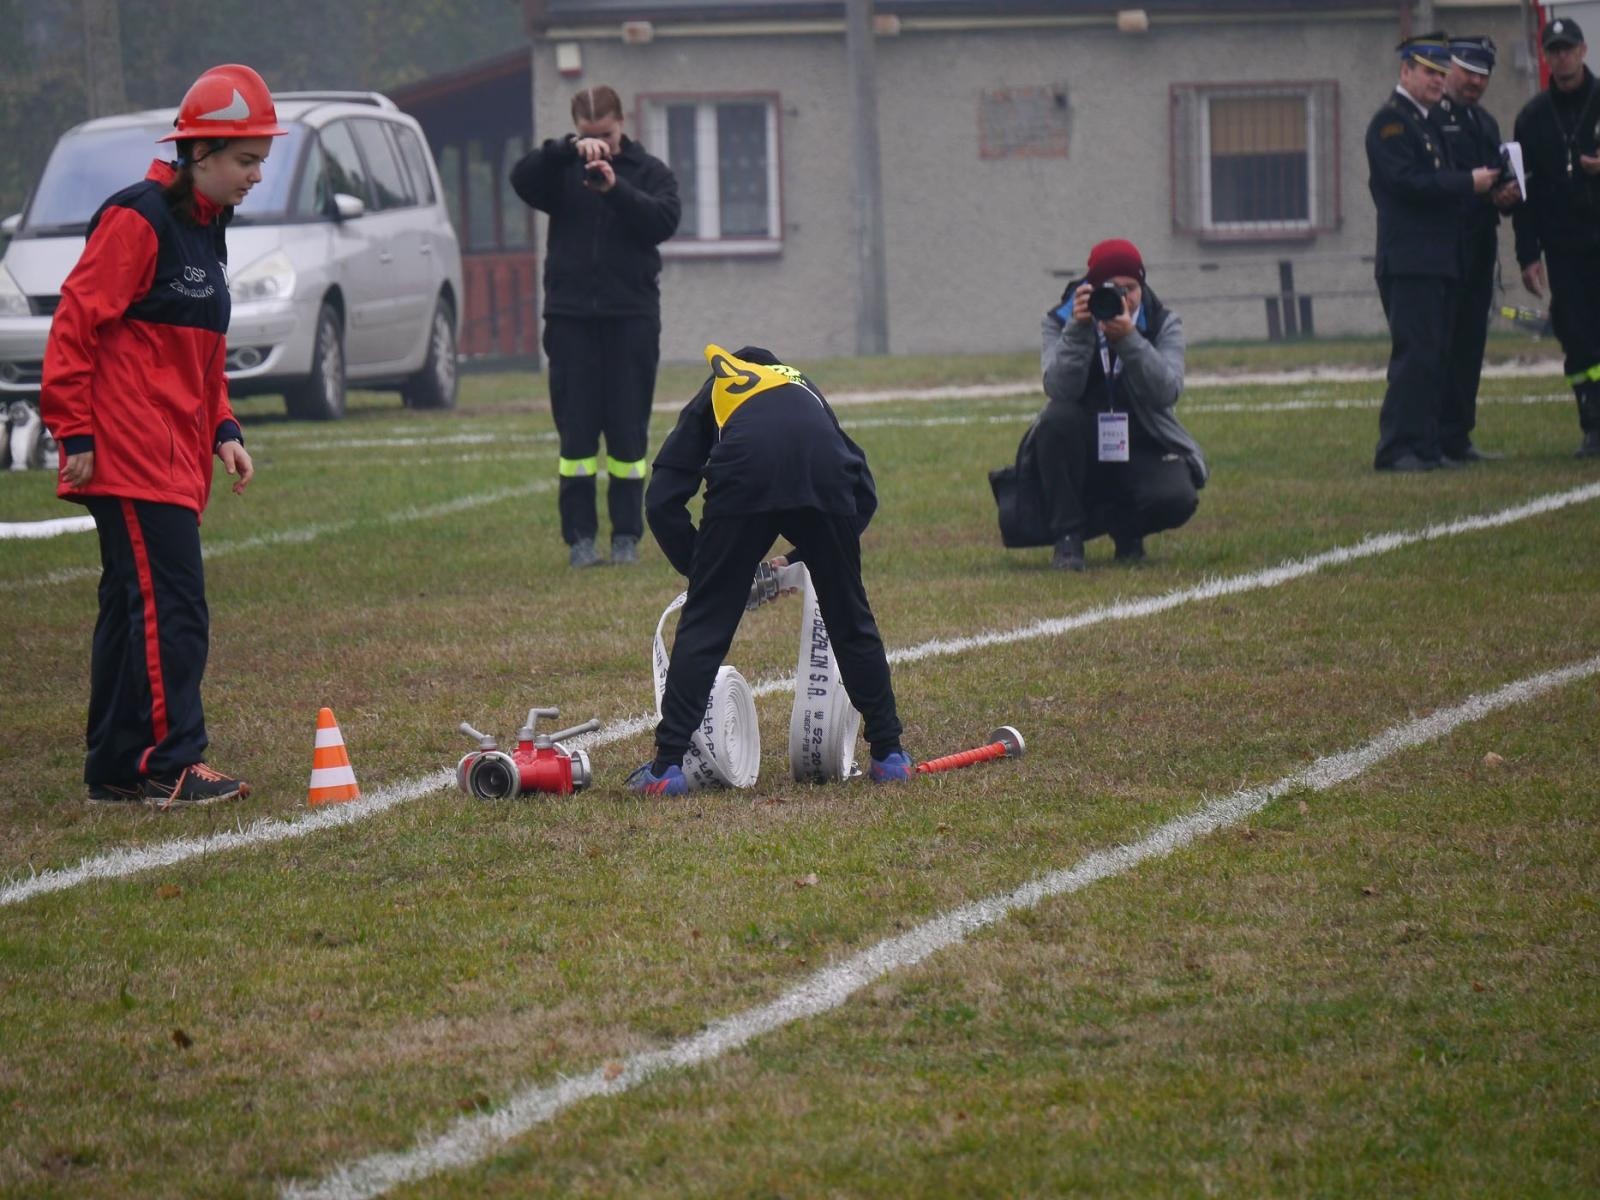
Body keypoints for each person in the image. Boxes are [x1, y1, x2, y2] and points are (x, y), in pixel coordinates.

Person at [40, 63, 282, 807]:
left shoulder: (207, 227)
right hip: (129, 453)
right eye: (246, 160)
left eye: (261, 161)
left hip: (173, 454)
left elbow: (199, 349)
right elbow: (74, 325)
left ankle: (117, 767)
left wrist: (223, 426)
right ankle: (168, 762)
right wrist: (75, 432)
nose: (256, 176)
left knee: (130, 606)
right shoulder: (138, 218)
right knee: (172, 607)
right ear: (199, 152)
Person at [629, 344, 911, 795]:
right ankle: (889, 754)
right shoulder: (801, 386)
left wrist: (708, 577)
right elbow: (864, 492)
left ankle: (666, 769)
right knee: (850, 617)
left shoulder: (718, 388)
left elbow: (662, 501)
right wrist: (805, 556)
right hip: (824, 474)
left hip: (745, 470)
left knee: (706, 623)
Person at [509, 85, 682, 566]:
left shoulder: (648, 172)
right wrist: (564, 150)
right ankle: (580, 540)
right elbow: (521, 180)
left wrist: (615, 189)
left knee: (628, 433)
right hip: (570, 320)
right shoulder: (563, 170)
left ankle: (626, 536)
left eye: (605, 134)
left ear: (621, 123)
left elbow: (664, 220)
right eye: (589, 135)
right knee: (576, 436)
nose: (598, 144)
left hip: (631, 319)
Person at [1026, 238, 1206, 573]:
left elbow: (1167, 392)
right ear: (1090, 288)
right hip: (1081, 447)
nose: (1124, 297)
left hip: (1139, 441)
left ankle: (1128, 530)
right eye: (1112, 288)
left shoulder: (1162, 322)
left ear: (1142, 286)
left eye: (1131, 288)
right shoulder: (1059, 320)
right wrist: (1078, 330)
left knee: (1177, 497)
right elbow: (1059, 389)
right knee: (1056, 418)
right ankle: (1068, 538)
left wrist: (1129, 339)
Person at [1366, 33, 1501, 471]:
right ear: (1405, 71)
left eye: (1442, 73)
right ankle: (1397, 447)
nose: (1437, 80)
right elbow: (1407, 183)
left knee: (1436, 356)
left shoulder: (1424, 123)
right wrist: (1468, 183)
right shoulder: (1391, 123)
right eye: (1428, 71)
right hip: (1411, 260)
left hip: (1438, 260)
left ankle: (1427, 446)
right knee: (1416, 355)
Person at [1511, 18, 1600, 457]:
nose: (1562, 57)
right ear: (1545, 57)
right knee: (1577, 336)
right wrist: (1528, 255)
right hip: (1563, 248)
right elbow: (1523, 196)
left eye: (1568, 48)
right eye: (1554, 50)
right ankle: (1593, 422)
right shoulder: (1531, 118)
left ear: (1583, 50)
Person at [1435, 36, 1522, 462]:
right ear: (1449, 68)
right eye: (1468, 72)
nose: (1475, 82)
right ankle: (1431, 436)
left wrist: (1506, 195)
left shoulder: (1484, 123)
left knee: (1470, 344)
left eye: (1483, 76)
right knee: (1441, 344)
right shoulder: (1431, 118)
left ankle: (1458, 436)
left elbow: (1495, 181)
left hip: (1479, 246)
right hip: (1442, 248)